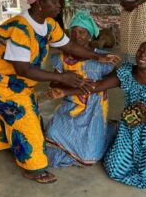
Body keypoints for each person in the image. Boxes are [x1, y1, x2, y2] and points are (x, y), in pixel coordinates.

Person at [0, 0, 120, 184]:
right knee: (25, 116)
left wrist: (98, 56)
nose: (59, 5)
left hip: (12, 74)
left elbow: (68, 46)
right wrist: (62, 77)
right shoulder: (21, 29)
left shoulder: (49, 24)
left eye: (59, 0)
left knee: (2, 110)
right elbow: (23, 69)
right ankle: (34, 167)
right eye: (54, 1)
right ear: (39, 3)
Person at [48, 35, 146, 189]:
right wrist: (65, 92)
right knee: (114, 169)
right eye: (141, 50)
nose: (143, 55)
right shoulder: (126, 74)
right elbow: (97, 86)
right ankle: (115, 132)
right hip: (132, 127)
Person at [45, 9, 117, 167]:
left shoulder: (103, 58)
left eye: (82, 32)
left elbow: (117, 80)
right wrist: (60, 86)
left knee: (88, 157)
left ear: (90, 35)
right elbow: (53, 85)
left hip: (94, 109)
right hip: (70, 105)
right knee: (51, 136)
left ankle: (109, 130)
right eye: (74, 32)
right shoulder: (61, 58)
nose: (77, 36)